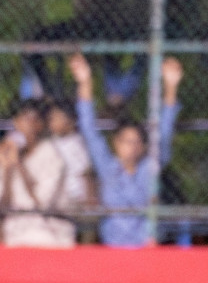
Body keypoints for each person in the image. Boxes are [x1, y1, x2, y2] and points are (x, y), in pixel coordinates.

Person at [71, 53, 183, 248]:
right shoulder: (107, 166)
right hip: (114, 249)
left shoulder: (150, 167)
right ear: (116, 144)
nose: (131, 147)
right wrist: (85, 81)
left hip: (145, 249)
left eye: (136, 142)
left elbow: (164, 132)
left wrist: (171, 86)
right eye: (126, 142)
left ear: (143, 146)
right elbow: (88, 128)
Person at [0, 100, 76, 248]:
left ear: (40, 126)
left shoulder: (53, 157)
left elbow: (41, 202)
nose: (23, 127)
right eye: (20, 121)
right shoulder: (8, 156)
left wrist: (19, 165)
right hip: (14, 228)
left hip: (46, 229)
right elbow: (3, 204)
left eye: (30, 121)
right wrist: (9, 170)